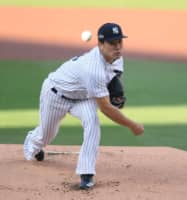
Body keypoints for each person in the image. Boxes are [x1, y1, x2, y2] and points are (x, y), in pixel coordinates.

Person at [23, 22, 144, 189]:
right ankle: (33, 144)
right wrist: (132, 124)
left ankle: (86, 173)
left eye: (119, 42)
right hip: (56, 94)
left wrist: (116, 91)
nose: (117, 47)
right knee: (47, 135)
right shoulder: (93, 69)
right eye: (112, 43)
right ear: (100, 44)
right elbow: (106, 108)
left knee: (92, 123)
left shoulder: (117, 58)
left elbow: (114, 77)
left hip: (83, 97)